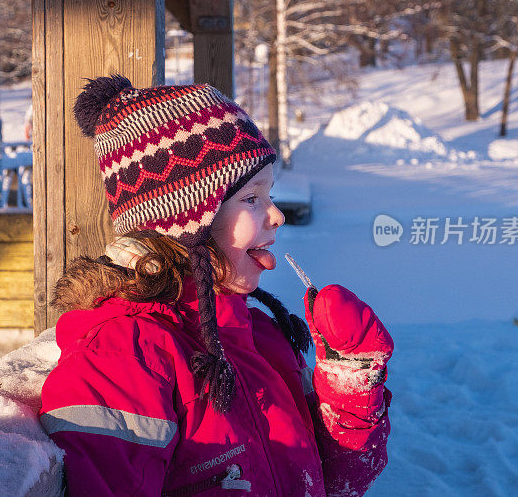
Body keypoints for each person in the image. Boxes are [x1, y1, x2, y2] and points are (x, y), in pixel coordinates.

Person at [40, 75, 393, 496]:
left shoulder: (258, 334)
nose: (277, 216)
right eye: (251, 199)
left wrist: (349, 378)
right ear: (185, 222)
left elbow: (334, 481)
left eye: (270, 195)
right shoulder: (126, 356)